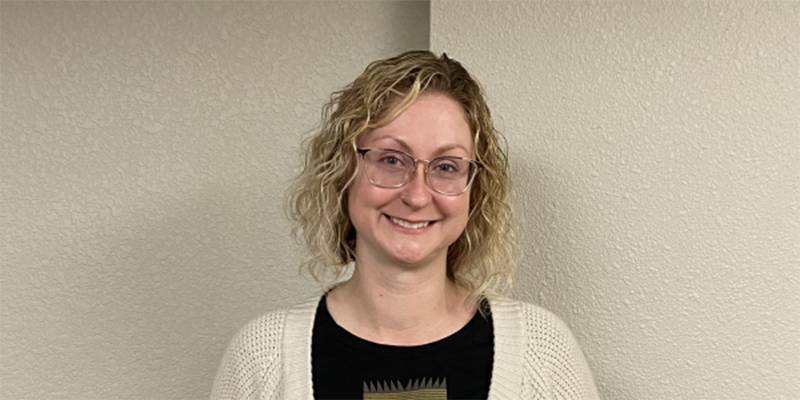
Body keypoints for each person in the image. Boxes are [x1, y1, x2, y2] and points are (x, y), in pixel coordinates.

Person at [210, 50, 600, 399]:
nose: (416, 195)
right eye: (391, 160)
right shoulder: (261, 358)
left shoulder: (543, 353)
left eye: (446, 166)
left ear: (474, 189)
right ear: (343, 171)